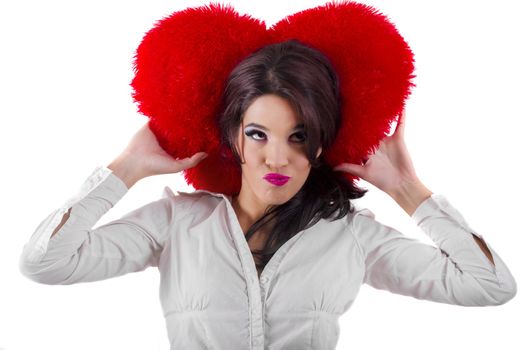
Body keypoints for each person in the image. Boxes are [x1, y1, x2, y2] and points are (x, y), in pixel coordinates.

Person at [19, 39, 516, 349]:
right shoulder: (176, 222)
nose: (276, 158)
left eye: (297, 135)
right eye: (258, 134)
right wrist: (125, 169)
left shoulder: (351, 237)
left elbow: (491, 286)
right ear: (233, 137)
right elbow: (45, 263)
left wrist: (406, 189)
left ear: (321, 140)